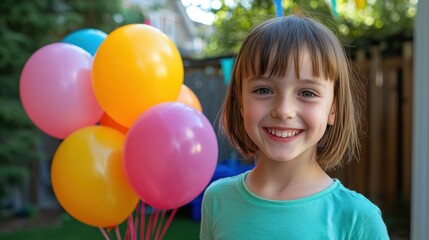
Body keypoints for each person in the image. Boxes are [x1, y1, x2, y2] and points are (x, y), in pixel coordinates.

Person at [200, 14, 389, 239]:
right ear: (240, 102)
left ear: (333, 109)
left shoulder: (358, 219)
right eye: (263, 90)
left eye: (307, 93)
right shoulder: (217, 199)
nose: (283, 110)